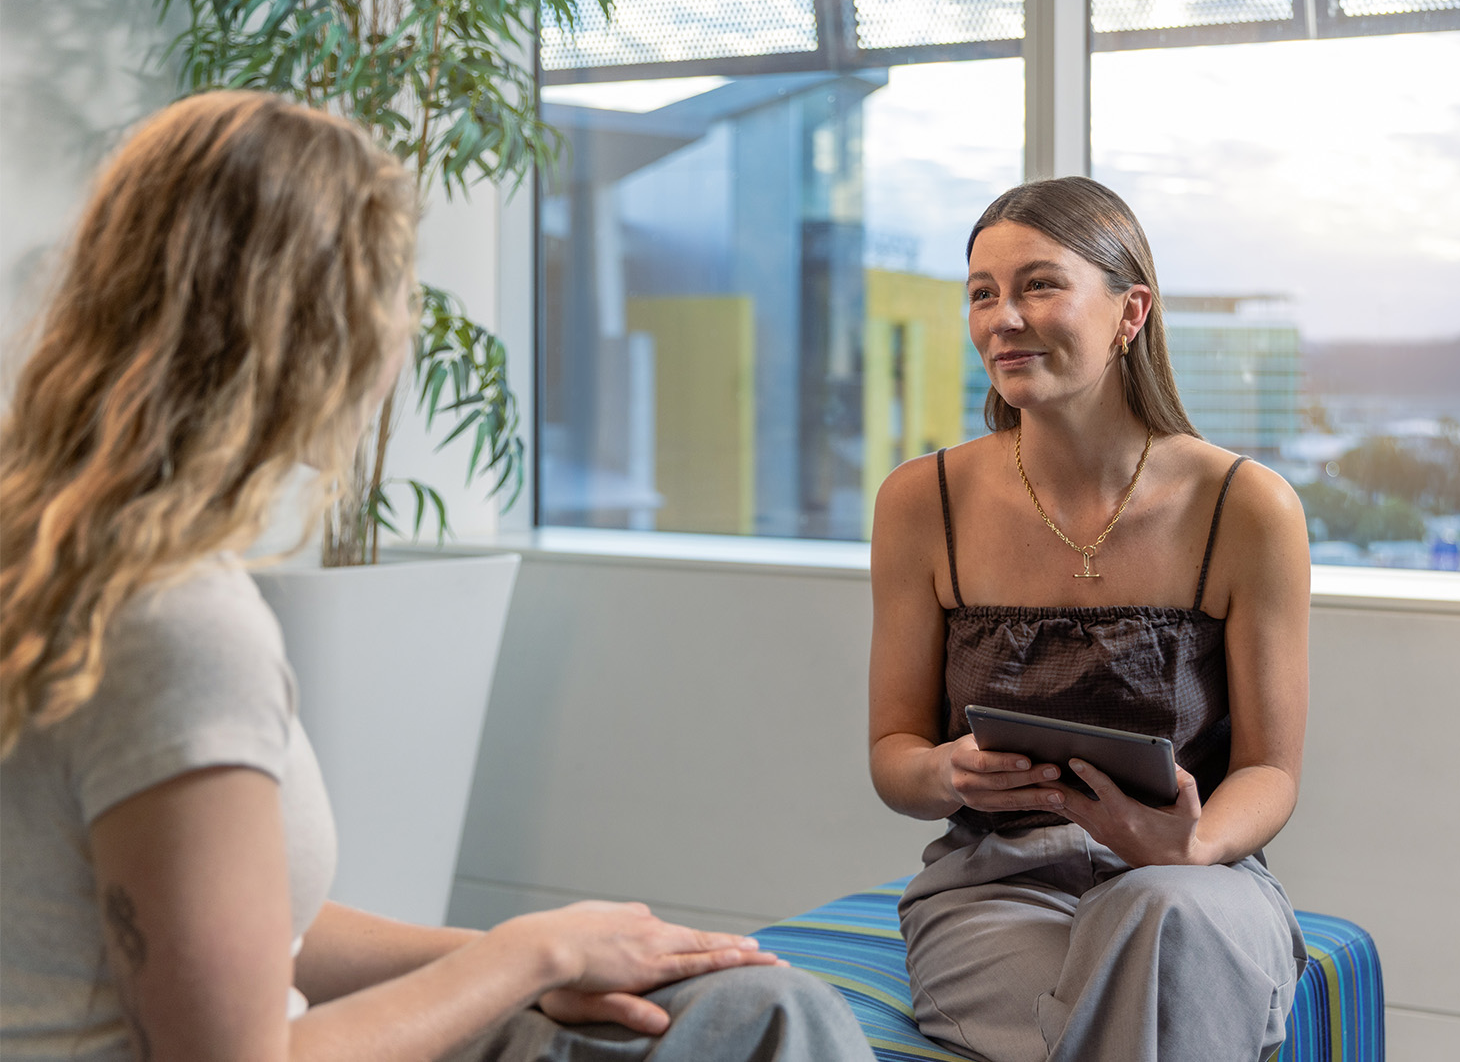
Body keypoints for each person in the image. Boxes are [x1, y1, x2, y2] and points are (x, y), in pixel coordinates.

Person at [0, 90, 873, 1062]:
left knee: (739, 999)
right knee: (765, 1016)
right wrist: (529, 952)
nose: (404, 334)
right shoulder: (178, 630)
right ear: (317, 329)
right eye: (393, 295)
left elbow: (247, 934)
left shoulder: (56, 558)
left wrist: (550, 957)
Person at [867, 176, 1312, 1062]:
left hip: (1198, 877)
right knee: (1164, 1000)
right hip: (995, 890)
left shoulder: (1245, 506)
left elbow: (1269, 768)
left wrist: (1192, 843)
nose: (1003, 317)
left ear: (1129, 311)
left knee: (1164, 918)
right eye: (982, 293)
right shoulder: (924, 501)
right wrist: (949, 771)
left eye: (1038, 284)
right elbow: (893, 759)